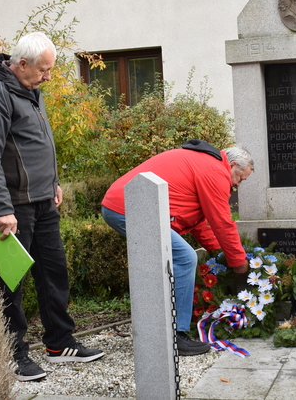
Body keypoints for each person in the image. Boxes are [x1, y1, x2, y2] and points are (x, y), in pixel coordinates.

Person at [0, 32, 104, 382]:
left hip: (42, 202)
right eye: (43, 70)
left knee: (53, 273)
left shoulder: (30, 90)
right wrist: (1, 209)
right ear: (22, 64)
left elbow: (38, 142)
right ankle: (10, 353)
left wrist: (53, 181)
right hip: (13, 207)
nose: (48, 77)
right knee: (8, 282)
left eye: (50, 70)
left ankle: (60, 343)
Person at [101, 140, 253, 356]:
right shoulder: (215, 171)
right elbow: (222, 221)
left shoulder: (205, 164)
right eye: (240, 178)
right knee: (185, 258)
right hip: (128, 208)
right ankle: (176, 336)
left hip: (123, 205)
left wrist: (219, 252)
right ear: (233, 165)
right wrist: (238, 261)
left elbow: (199, 223)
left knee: (174, 258)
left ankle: (158, 330)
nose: (237, 185)